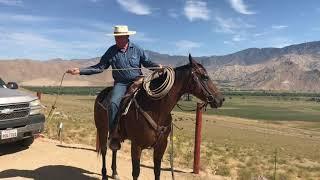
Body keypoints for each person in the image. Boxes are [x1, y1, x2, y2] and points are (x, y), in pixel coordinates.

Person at [66, 25, 162, 150]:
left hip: (138, 80)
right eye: (116, 38)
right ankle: (114, 135)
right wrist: (80, 71)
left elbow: (147, 62)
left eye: (120, 37)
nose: (117, 40)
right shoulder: (111, 51)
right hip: (121, 83)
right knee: (113, 103)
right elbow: (99, 67)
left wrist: (158, 67)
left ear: (127, 37)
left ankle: (155, 129)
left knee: (153, 97)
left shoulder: (137, 49)